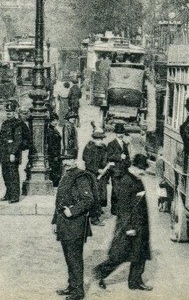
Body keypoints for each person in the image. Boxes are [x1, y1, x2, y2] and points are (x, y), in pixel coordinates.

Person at [94, 153, 152, 291]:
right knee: (119, 255)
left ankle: (135, 282)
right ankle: (100, 273)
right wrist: (129, 227)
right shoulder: (126, 181)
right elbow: (124, 208)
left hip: (140, 224)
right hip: (129, 225)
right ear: (134, 167)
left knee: (140, 253)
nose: (142, 174)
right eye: (141, 171)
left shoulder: (136, 179)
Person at [53, 150, 97, 300]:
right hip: (65, 224)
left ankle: (78, 292)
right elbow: (60, 200)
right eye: (64, 159)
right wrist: (54, 221)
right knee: (69, 258)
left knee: (75, 258)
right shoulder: (67, 175)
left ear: (75, 160)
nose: (66, 162)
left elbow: (88, 200)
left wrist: (72, 211)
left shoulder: (81, 177)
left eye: (69, 159)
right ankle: (72, 286)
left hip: (75, 225)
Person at [0, 101, 24, 202]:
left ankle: (15, 196)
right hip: (4, 153)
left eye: (10, 112)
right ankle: (8, 194)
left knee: (13, 175)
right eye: (7, 112)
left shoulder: (17, 124)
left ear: (14, 113)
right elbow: (1, 140)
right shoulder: (5, 123)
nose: (8, 114)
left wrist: (13, 153)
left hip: (12, 154)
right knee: (6, 175)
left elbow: (18, 141)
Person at [82, 125, 109, 224]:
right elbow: (87, 163)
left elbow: (105, 160)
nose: (99, 141)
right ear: (93, 139)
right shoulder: (89, 148)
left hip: (102, 175)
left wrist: (105, 169)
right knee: (94, 196)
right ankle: (94, 218)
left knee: (102, 195)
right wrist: (98, 170)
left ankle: (97, 212)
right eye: (97, 139)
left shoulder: (103, 148)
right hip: (92, 174)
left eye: (101, 139)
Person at [47, 115, 64, 186]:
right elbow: (51, 145)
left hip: (57, 153)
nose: (55, 122)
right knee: (54, 169)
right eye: (53, 121)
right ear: (50, 122)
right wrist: (55, 155)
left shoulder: (54, 130)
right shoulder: (50, 131)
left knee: (57, 169)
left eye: (56, 120)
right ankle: (54, 184)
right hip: (53, 154)